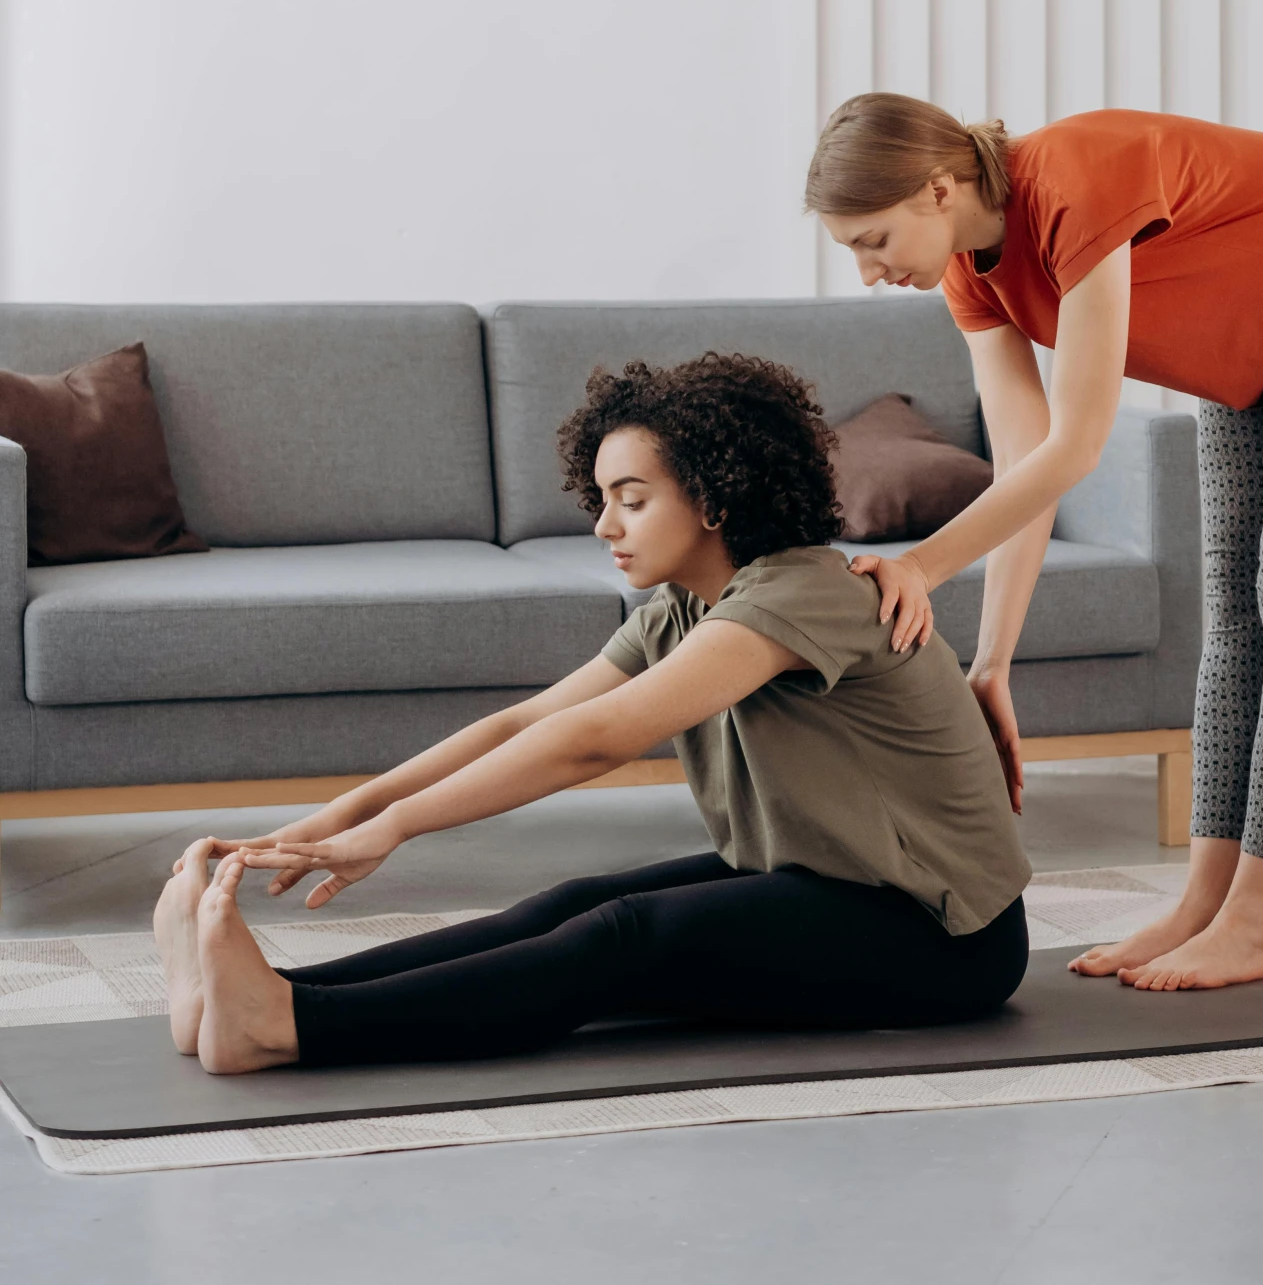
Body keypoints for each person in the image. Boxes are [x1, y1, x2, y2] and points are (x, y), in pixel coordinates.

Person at [154, 352, 1030, 1075]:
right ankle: (271, 994)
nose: (605, 524)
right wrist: (337, 819)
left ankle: (283, 1029)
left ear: (716, 497)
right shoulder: (685, 609)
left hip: (941, 936)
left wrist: (399, 830)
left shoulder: (804, 593)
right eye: (602, 497)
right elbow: (520, 725)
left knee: (624, 937)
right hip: (824, 884)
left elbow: (594, 741)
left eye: (632, 498)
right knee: (567, 904)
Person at [806, 94, 1263, 993]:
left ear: (937, 190)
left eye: (870, 240)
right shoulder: (967, 276)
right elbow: (1023, 461)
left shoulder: (1071, 182)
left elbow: (1077, 443)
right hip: (1247, 333)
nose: (866, 271)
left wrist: (919, 566)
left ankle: (1256, 920)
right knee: (1231, 598)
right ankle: (1202, 905)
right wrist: (990, 662)